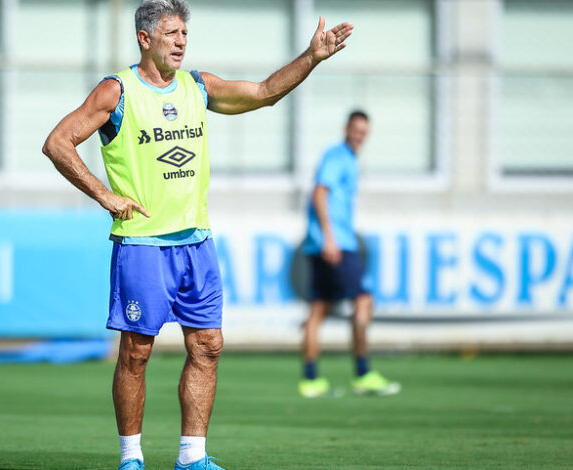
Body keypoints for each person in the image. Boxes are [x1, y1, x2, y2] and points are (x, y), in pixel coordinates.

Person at [42, 1, 352, 468]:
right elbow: (57, 142)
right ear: (145, 39)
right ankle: (131, 458)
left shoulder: (197, 86)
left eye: (185, 33)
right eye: (171, 33)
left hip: (197, 244)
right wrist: (105, 196)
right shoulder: (116, 91)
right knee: (136, 353)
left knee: (208, 346)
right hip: (143, 245)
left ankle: (192, 457)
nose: (182, 41)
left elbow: (265, 92)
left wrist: (310, 58)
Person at [298, 110, 400, 398]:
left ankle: (310, 380)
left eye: (363, 132)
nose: (359, 136)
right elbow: (319, 193)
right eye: (356, 130)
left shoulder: (346, 159)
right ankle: (363, 372)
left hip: (321, 242)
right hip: (337, 243)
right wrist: (330, 238)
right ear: (346, 128)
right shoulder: (338, 157)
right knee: (364, 300)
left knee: (319, 309)